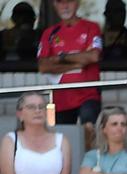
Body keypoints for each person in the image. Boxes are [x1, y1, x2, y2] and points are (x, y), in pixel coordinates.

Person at [37, 0, 103, 150]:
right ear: (54, 5)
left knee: (90, 135)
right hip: (61, 97)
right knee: (62, 142)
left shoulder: (91, 27)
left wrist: (59, 58)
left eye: (69, 2)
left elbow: (93, 57)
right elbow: (43, 66)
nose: (65, 6)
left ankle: (89, 170)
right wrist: (76, 61)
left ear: (77, 3)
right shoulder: (49, 33)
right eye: (60, 2)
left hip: (88, 95)